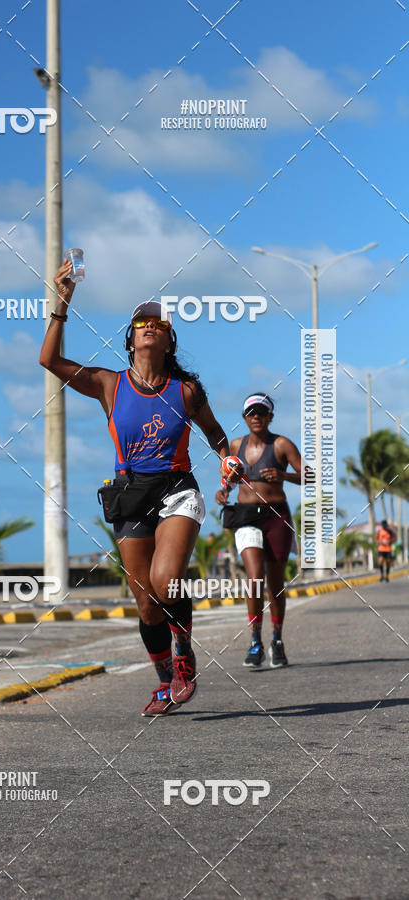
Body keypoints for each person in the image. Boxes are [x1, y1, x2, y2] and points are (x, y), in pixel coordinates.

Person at [39, 259, 238, 715]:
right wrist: (62, 303)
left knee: (167, 582)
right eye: (141, 323)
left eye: (159, 323)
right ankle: (165, 681)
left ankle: (184, 653)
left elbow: (215, 434)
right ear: (130, 338)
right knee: (147, 604)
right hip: (130, 494)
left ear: (169, 339)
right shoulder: (110, 385)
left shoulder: (186, 390)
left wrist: (227, 456)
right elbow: (48, 360)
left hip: (176, 489)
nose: (150, 327)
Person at [215, 393, 302, 668]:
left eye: (261, 413)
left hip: (277, 516)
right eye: (251, 413)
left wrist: (283, 475)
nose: (256, 417)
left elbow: (309, 475)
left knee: (275, 583)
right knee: (254, 578)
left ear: (270, 417)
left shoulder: (282, 444)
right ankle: (255, 642)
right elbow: (228, 478)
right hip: (245, 516)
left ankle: (277, 640)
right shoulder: (236, 444)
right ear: (244, 417)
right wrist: (223, 491)